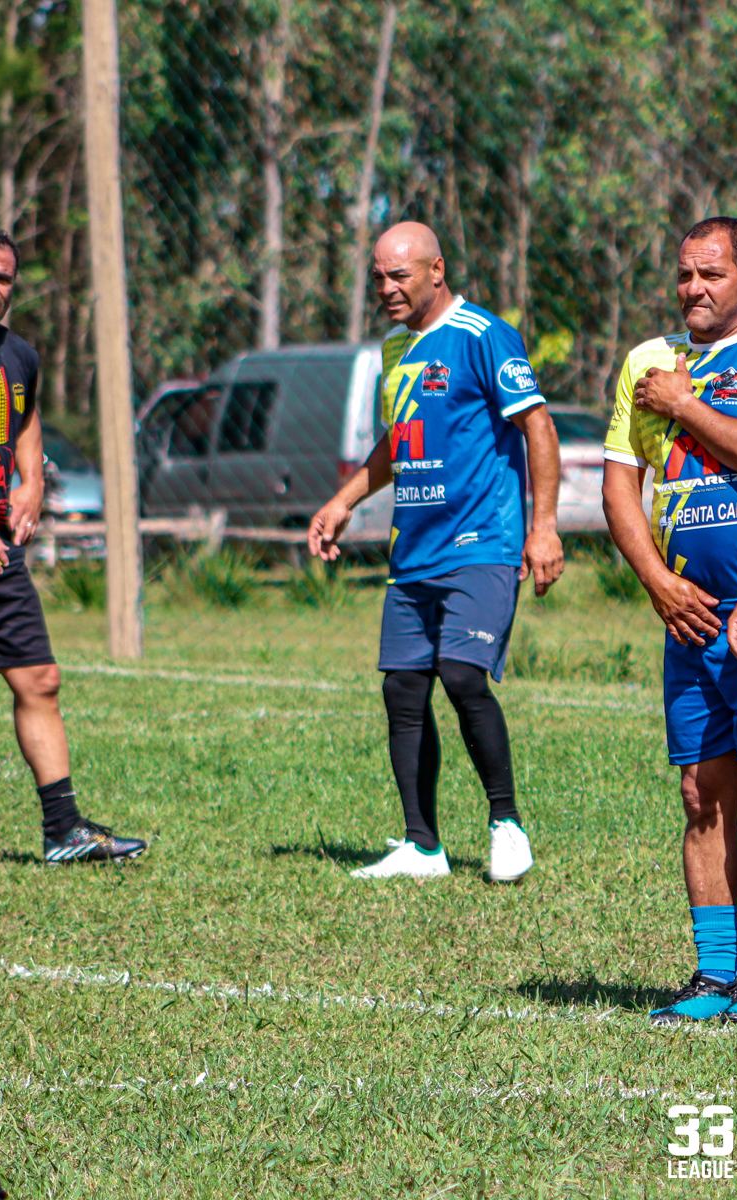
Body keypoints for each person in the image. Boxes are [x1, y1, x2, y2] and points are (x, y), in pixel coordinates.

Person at [308, 222, 563, 883]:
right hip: (413, 550)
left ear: (436, 270)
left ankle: (507, 825)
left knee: (462, 675)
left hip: (482, 542)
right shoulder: (396, 348)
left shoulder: (484, 335)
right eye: (378, 278)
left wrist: (543, 527)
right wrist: (343, 502)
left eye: (400, 275)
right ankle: (422, 847)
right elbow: (398, 441)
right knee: (402, 688)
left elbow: (537, 424)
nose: (387, 289)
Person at [601, 217, 737, 1025]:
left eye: (711, 274)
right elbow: (621, 483)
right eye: (685, 274)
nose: (693, 288)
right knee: (700, 793)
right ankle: (713, 971)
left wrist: (684, 404)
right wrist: (656, 581)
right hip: (686, 617)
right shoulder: (644, 362)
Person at [0, 225, 144, 863]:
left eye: (3, 279)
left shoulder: (18, 355)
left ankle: (63, 830)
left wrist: (32, 482)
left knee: (39, 680)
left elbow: (24, 418)